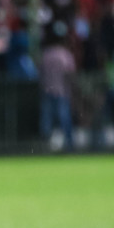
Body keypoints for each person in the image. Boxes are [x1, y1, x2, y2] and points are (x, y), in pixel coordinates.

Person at [38, 23, 76, 152]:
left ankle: (46, 147)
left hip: (47, 90)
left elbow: (40, 73)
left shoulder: (46, 54)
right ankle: (69, 146)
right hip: (61, 92)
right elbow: (70, 74)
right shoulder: (65, 55)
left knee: (47, 122)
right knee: (64, 120)